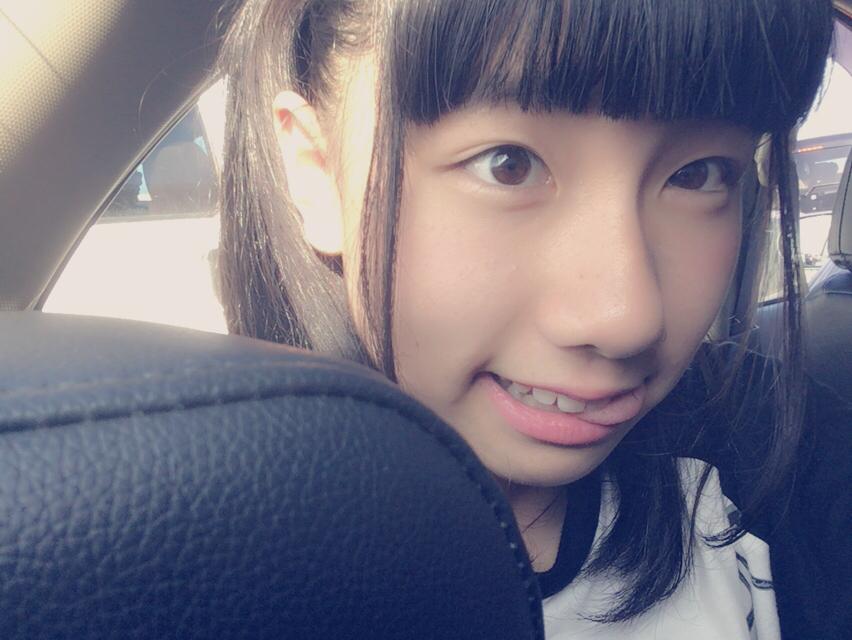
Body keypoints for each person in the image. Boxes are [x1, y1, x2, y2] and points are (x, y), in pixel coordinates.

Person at [215, 1, 849, 638]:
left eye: (699, 174)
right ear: (318, 171)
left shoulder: (781, 448)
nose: (627, 319)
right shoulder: (202, 562)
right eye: (507, 164)